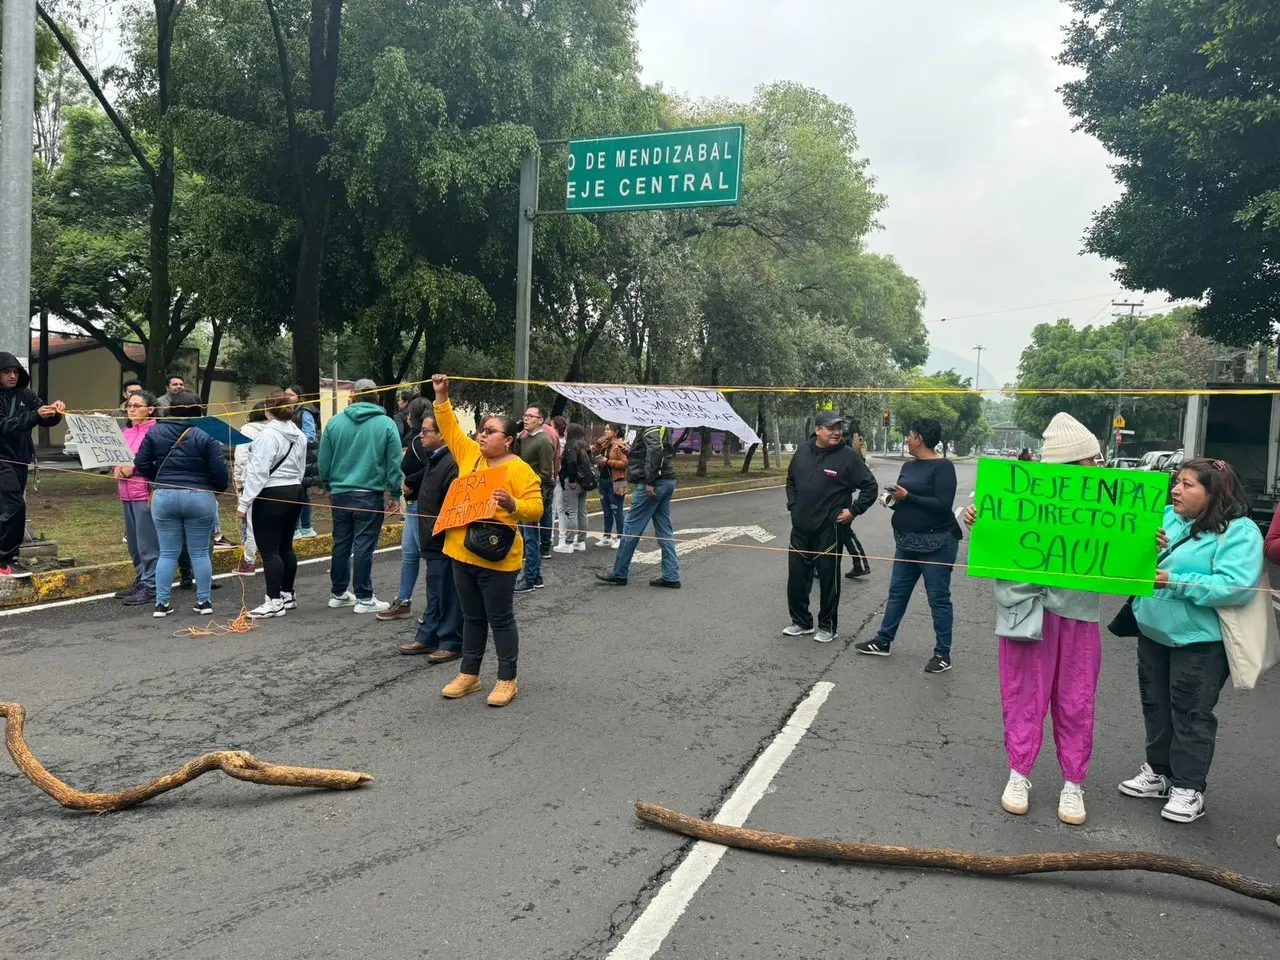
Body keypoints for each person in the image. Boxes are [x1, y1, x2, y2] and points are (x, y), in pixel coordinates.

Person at [964, 412, 1105, 826]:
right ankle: (1018, 773)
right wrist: (970, 517)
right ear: (1069, 466)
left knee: (1076, 699)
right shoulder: (1024, 493)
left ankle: (1073, 784)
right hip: (1026, 612)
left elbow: (1124, 547)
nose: (1098, 467)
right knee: (1022, 694)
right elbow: (982, 516)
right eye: (1091, 460)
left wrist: (1145, 543)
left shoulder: (1104, 499)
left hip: (1078, 613)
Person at [1120, 457, 1262, 824]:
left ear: (1214, 493)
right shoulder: (1163, 516)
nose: (1176, 490)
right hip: (1152, 632)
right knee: (1155, 706)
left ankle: (1189, 788)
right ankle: (1159, 772)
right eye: (1177, 482)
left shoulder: (1240, 532)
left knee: (1190, 714)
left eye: (1187, 484)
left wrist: (1174, 581)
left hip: (1199, 643)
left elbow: (1236, 587)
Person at [430, 374, 543, 707]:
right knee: (472, 617)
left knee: (501, 619)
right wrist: (441, 396)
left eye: (491, 430)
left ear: (508, 440)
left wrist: (513, 505)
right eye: (482, 428)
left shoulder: (520, 470)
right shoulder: (469, 456)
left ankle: (507, 679)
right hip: (461, 553)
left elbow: (536, 510)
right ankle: (470, 674)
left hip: (497, 558)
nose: (482, 433)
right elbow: (449, 426)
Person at [855, 417, 961, 673]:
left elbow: (942, 505)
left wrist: (908, 496)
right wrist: (893, 499)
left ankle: (942, 653)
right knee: (897, 593)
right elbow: (903, 497)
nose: (907, 439)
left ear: (920, 439)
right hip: (906, 542)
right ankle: (883, 640)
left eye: (910, 436)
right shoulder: (909, 465)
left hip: (937, 543)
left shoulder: (943, 467)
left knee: (938, 598)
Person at [783, 412, 878, 643]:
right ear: (818, 430)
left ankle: (827, 626)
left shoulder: (848, 457)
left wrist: (853, 511)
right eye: (831, 428)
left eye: (839, 428)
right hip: (801, 527)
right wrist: (793, 506)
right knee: (797, 578)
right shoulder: (803, 451)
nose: (837, 432)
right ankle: (801, 622)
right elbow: (791, 481)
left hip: (829, 529)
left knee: (828, 580)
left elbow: (870, 487)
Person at [134, 391, 229, 617]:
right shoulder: (206, 432)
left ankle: (162, 604)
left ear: (170, 408)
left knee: (167, 553)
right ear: (198, 409)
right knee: (199, 553)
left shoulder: (155, 430)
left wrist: (157, 477)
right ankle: (204, 602)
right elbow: (219, 469)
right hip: (199, 494)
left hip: (165, 495)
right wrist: (217, 489)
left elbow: (141, 462)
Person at [319, 378, 403, 614]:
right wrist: (395, 493)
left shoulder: (334, 423)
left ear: (353, 396)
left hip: (340, 494)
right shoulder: (386, 424)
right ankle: (364, 597)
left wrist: (328, 485)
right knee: (364, 546)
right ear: (377, 397)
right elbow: (394, 462)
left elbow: (323, 461)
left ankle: (338, 593)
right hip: (369, 494)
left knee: (341, 543)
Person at [398, 413, 463, 661]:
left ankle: (451, 640)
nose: (420, 436)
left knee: (448, 590)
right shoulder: (437, 459)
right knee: (435, 589)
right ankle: (428, 635)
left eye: (426, 432)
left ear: (443, 434)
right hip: (432, 537)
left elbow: (452, 504)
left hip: (444, 538)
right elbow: (426, 477)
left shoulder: (453, 462)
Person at [239, 392, 308, 619]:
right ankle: (288, 594)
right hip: (295, 491)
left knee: (269, 550)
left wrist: (244, 502)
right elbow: (301, 467)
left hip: (271, 493)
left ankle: (273, 600)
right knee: (286, 546)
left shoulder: (266, 436)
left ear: (267, 410)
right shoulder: (299, 434)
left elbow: (258, 472)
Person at [0, 352, 64, 579]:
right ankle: (5, 559)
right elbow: (5, 425)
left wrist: (54, 412)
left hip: (20, 460)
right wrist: (34, 416)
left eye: (15, 372)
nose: (12, 376)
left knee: (11, 509)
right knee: (14, 508)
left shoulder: (26, 394)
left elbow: (41, 414)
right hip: (1, 461)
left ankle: (11, 557)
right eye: (7, 372)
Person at [595, 424, 681, 589]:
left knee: (631, 527)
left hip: (654, 483)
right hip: (666, 480)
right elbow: (654, 450)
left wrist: (650, 480)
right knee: (664, 529)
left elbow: (655, 450)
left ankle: (619, 573)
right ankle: (671, 575)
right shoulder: (661, 424)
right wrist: (632, 450)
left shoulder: (651, 423)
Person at [379, 397, 432, 621]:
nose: (407, 416)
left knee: (431, 558)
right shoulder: (414, 439)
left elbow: (436, 465)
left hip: (422, 504)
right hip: (412, 505)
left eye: (410, 413)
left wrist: (410, 482)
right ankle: (404, 600)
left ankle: (435, 608)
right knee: (409, 553)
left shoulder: (422, 442)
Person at [113, 389, 159, 605]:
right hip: (126, 493)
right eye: (129, 405)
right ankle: (141, 579)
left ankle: (152, 585)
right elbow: (116, 456)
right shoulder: (126, 432)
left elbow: (157, 463)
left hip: (145, 493)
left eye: (137, 405)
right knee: (133, 542)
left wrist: (135, 469)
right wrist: (116, 467)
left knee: (147, 542)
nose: (131, 409)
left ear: (150, 409)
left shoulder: (156, 432)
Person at [515, 403, 555, 593]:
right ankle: (536, 576)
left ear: (541, 420)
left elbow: (547, 474)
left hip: (532, 494)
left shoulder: (544, 441)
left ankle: (530, 578)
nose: (526, 418)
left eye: (531, 416)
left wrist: (527, 481)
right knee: (526, 537)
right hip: (520, 492)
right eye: (525, 415)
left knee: (531, 538)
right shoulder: (523, 437)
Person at [232, 403, 269, 576]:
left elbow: (241, 458)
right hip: (274, 483)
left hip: (251, 482)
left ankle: (248, 561)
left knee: (250, 523)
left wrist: (239, 482)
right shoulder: (276, 430)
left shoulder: (247, 429)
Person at [285, 384, 321, 538]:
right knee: (302, 493)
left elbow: (310, 437)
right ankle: (304, 527)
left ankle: (300, 528)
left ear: (299, 396)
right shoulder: (294, 411)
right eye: (285, 394)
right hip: (299, 457)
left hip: (304, 458)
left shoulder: (304, 411)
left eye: (290, 394)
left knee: (298, 492)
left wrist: (292, 441)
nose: (287, 397)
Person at [554, 423, 595, 553]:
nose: (565, 433)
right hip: (584, 483)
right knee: (582, 512)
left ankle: (568, 543)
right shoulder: (585, 445)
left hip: (573, 482)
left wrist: (571, 480)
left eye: (566, 431)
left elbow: (571, 462)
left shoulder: (571, 445)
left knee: (571, 512)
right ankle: (581, 541)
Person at [842, 418, 872, 580]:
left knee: (845, 532)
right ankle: (859, 565)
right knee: (843, 533)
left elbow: (870, 485)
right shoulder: (854, 436)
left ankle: (860, 565)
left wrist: (854, 510)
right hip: (844, 493)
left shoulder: (846, 447)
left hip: (841, 497)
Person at [592, 423, 628, 547]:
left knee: (617, 510)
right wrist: (597, 444)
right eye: (605, 429)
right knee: (606, 510)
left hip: (618, 481)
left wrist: (607, 461)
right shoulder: (604, 445)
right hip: (604, 480)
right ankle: (607, 536)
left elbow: (624, 463)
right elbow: (592, 452)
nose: (605, 431)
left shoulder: (620, 445)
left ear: (616, 431)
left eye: (608, 429)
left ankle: (620, 537)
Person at [549, 414, 567, 552]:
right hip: (558, 478)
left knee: (555, 510)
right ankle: (558, 538)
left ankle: (552, 538)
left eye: (551, 425)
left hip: (555, 477)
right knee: (558, 510)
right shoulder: (564, 442)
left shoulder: (557, 442)